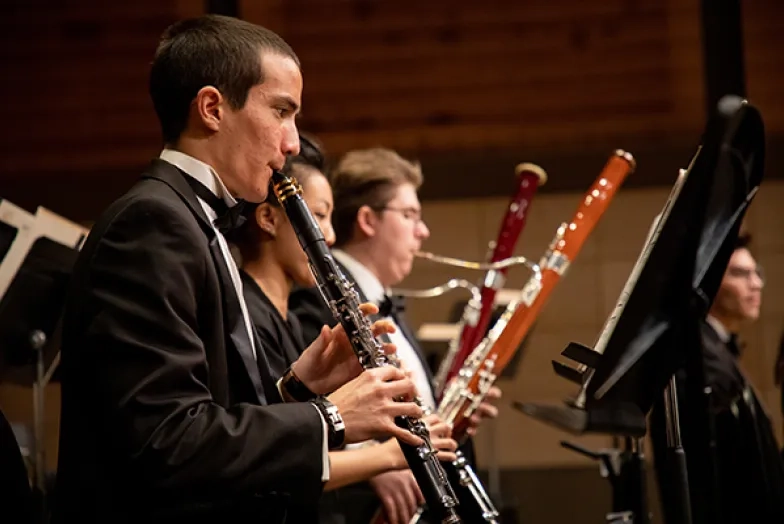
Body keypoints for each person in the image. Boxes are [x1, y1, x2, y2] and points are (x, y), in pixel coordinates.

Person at [52, 15, 424, 524]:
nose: (293, 143)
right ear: (212, 109)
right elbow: (166, 440)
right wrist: (333, 417)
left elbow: (214, 415)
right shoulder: (152, 223)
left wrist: (298, 387)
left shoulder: (195, 221)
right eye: (281, 112)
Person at [231, 133, 459, 523]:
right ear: (268, 219)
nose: (330, 237)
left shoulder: (285, 318)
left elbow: (284, 426)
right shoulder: (250, 316)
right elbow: (264, 451)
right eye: (318, 217)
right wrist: (384, 456)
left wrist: (304, 389)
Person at [289, 147, 501, 524]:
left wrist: (452, 418)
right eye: (409, 215)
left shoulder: (385, 304)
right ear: (368, 220)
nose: (423, 231)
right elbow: (310, 412)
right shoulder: (320, 299)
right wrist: (375, 465)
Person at [651, 233, 784, 524]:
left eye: (757, 273)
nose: (756, 284)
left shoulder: (715, 351)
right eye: (740, 274)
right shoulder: (699, 357)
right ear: (707, 282)